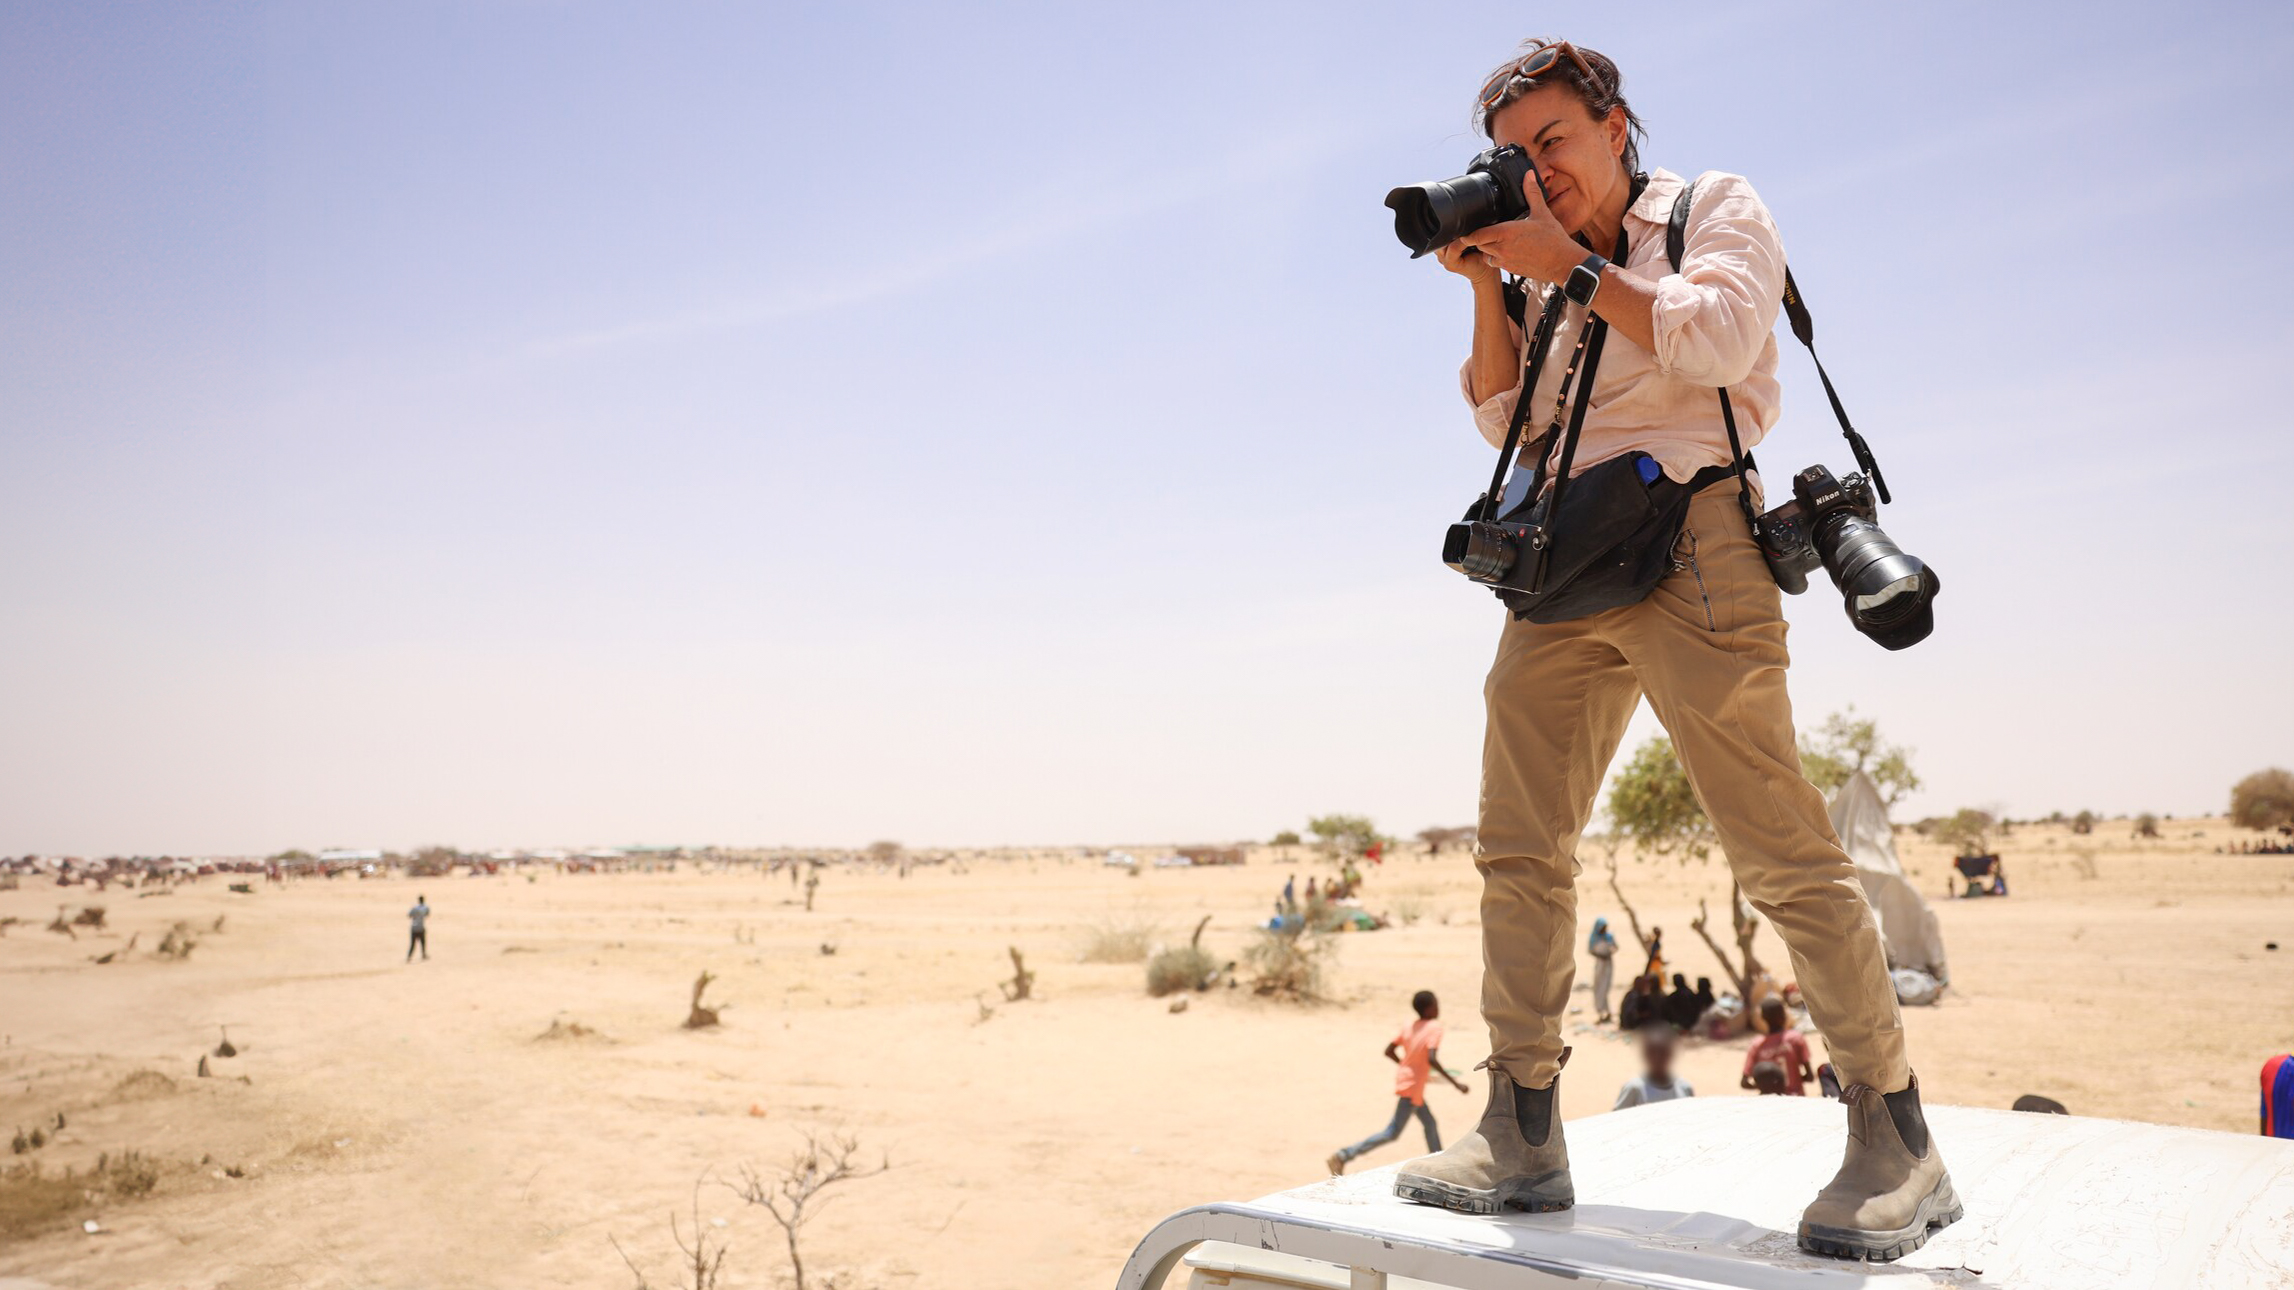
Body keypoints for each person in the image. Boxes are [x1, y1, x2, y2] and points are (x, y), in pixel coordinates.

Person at [1388, 39, 1955, 1262]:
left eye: (1554, 141)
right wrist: (1491, 280)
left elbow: (1714, 341)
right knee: (1516, 848)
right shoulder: (1541, 261)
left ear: (1614, 125)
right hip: (1558, 561)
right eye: (1515, 155)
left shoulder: (1709, 207)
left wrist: (1570, 266)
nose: (1537, 169)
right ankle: (1522, 1125)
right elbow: (1503, 417)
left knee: (1778, 848)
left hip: (1695, 536)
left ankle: (1893, 1137)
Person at [1328, 991, 1470, 1175]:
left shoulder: (1409, 1026)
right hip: (1412, 1088)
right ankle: (1343, 1155)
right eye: (1436, 1004)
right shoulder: (1435, 1028)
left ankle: (1438, 1162)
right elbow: (1432, 1059)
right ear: (1428, 1008)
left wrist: (1406, 1065)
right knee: (1392, 1132)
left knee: (1430, 1123)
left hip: (1410, 1083)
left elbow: (1389, 1051)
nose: (1438, 1008)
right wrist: (1456, 1084)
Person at [1742, 996, 1816, 1096]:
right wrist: (1795, 1080)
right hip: (1796, 1098)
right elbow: (1810, 1077)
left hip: (1770, 1101)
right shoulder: (1795, 1038)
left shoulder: (1756, 1045)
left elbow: (1744, 1082)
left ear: (1763, 1018)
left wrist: (1765, 1087)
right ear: (1784, 1015)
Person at [1612, 1024, 1693, 1109]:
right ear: (1644, 1054)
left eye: (1662, 1052)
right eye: (1652, 1052)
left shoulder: (1684, 1088)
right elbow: (1616, 1119)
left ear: (1671, 1053)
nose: (1657, 1058)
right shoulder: (1634, 1089)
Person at [1586, 918, 1618, 1024]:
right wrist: (1601, 956)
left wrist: (1608, 954)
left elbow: (1616, 948)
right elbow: (1590, 950)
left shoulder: (1609, 936)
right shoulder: (1594, 937)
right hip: (1600, 964)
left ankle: (1607, 1012)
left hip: (1608, 964)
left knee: (1605, 988)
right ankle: (1600, 1011)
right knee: (1598, 987)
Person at [406, 894, 430, 962]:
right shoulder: (425, 908)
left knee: (412, 944)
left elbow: (409, 915)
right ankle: (423, 954)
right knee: (423, 942)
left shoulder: (414, 908)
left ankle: (409, 956)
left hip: (414, 927)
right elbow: (427, 915)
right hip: (421, 927)